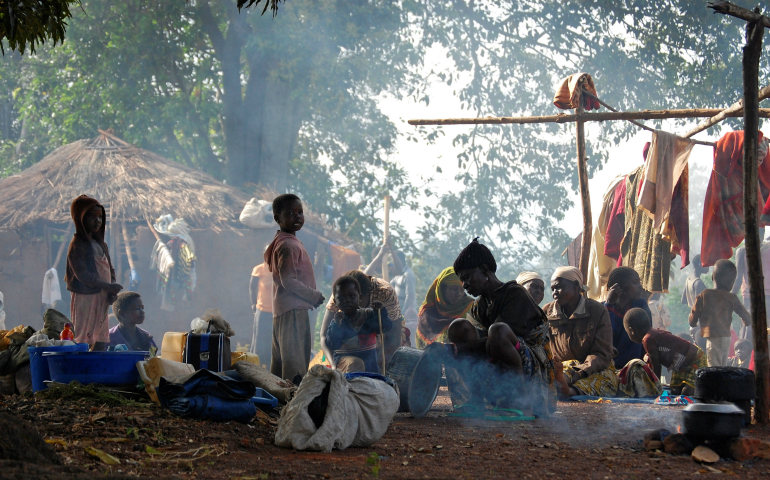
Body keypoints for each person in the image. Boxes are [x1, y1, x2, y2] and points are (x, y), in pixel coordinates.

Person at [445, 238, 557, 417]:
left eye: (467, 278)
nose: (465, 286)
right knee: (458, 328)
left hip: (531, 370)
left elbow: (497, 340)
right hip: (496, 363)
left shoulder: (515, 294)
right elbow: (481, 343)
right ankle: (475, 400)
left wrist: (454, 350)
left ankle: (521, 403)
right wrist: (457, 347)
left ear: (484, 270)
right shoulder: (480, 305)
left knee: (497, 331)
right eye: (462, 281)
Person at [264, 194, 325, 384]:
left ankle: (277, 407)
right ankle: (293, 406)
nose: (297, 216)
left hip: (283, 311)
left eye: (300, 212)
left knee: (281, 364)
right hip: (293, 311)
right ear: (277, 218)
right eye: (290, 213)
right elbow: (288, 281)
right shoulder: (288, 245)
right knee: (295, 367)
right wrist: (313, 295)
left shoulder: (282, 242)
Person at [544, 267, 617, 399]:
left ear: (576, 286)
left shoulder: (597, 311)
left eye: (559, 287)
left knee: (606, 381)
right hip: (560, 367)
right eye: (553, 289)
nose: (555, 292)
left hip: (593, 368)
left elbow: (602, 354)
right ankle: (561, 383)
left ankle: (566, 390)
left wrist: (579, 372)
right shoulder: (547, 313)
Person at [64, 195, 123, 351]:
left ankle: (96, 369)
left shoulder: (100, 243)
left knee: (101, 337)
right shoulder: (77, 245)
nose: (98, 220)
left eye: (100, 217)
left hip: (102, 295)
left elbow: (110, 268)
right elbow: (82, 275)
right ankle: (81, 370)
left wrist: (110, 288)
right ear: (80, 218)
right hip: (86, 296)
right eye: (92, 216)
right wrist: (107, 286)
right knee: (85, 336)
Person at [320, 270, 403, 369]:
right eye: (342, 299)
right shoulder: (340, 291)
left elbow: (392, 332)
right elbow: (325, 336)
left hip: (376, 350)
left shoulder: (384, 292)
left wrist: (380, 313)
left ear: (360, 296)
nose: (347, 301)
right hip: (346, 361)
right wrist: (333, 365)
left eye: (352, 297)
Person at [624, 307, 705, 396]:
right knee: (675, 392)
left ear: (632, 331)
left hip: (694, 359)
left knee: (686, 394)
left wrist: (655, 388)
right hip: (680, 366)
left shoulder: (648, 339)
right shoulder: (651, 335)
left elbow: (656, 366)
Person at [689, 259, 751, 367]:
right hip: (727, 336)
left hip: (713, 336)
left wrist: (693, 323)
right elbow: (744, 314)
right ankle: (721, 382)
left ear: (713, 277)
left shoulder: (705, 295)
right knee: (722, 364)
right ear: (732, 283)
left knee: (714, 366)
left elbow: (694, 313)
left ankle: (716, 383)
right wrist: (747, 322)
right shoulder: (732, 297)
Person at [415, 267, 473, 348]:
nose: (459, 293)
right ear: (442, 289)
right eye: (454, 289)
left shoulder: (471, 308)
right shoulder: (427, 313)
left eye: (462, 289)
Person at [604, 267, 650, 368]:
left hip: (635, 367)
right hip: (609, 368)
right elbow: (605, 337)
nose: (640, 286)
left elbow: (647, 336)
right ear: (620, 287)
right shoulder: (603, 308)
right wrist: (609, 305)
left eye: (639, 282)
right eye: (635, 282)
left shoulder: (640, 304)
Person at [389, 250, 417, 345]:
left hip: (407, 317)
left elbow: (410, 296)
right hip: (398, 315)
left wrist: (403, 314)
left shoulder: (408, 274)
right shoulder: (397, 275)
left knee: (409, 342)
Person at [249, 261, 274, 367]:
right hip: (262, 311)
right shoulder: (259, 269)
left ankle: (269, 369)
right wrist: (254, 305)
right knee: (259, 342)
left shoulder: (282, 270)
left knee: (272, 342)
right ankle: (255, 369)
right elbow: (252, 288)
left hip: (277, 314)